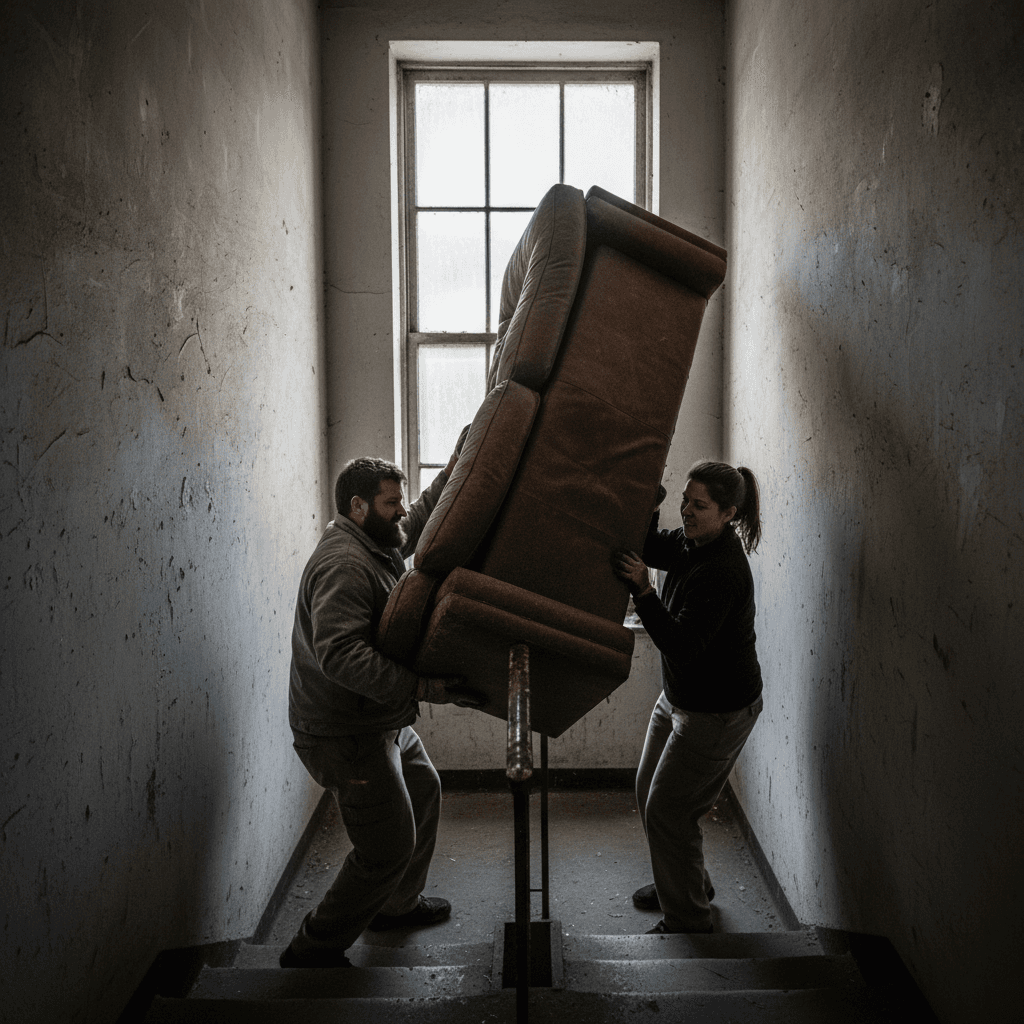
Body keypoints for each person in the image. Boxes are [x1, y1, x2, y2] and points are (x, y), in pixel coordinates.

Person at [280, 447, 483, 968]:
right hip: (344, 732)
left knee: (424, 787)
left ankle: (396, 906)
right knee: (386, 849)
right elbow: (341, 656)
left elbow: (413, 525)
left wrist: (457, 464)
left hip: (376, 717)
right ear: (357, 506)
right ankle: (313, 949)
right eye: (391, 503)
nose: (401, 510)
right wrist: (423, 688)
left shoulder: (372, 540)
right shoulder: (345, 565)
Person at [612, 460, 764, 935]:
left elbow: (681, 645)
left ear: (728, 513)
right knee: (649, 792)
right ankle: (684, 883)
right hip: (681, 698)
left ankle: (688, 919)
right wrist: (650, 501)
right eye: (685, 500)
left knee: (670, 811)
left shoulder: (721, 570)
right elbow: (652, 546)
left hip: (717, 712)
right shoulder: (692, 541)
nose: (687, 511)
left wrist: (643, 592)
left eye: (699, 505)